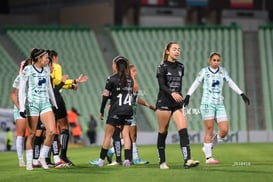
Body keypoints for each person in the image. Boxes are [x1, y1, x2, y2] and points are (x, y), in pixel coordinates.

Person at [183, 52, 250, 164]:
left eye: (218, 60)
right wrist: (188, 95)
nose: (216, 62)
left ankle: (207, 147)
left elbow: (231, 82)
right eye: (214, 60)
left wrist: (241, 94)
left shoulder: (222, 71)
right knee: (209, 129)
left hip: (219, 104)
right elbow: (196, 83)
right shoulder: (204, 71)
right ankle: (209, 158)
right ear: (210, 60)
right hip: (207, 104)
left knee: (224, 130)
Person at [155, 42, 200, 169]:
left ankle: (187, 160)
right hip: (163, 103)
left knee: (183, 130)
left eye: (179, 49)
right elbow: (162, 86)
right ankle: (162, 162)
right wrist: (172, 93)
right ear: (168, 51)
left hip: (177, 104)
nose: (177, 51)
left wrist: (178, 96)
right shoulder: (161, 66)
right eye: (174, 49)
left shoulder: (181, 66)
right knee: (163, 131)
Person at [106, 64, 156, 166]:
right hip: (126, 112)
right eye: (134, 71)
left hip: (131, 111)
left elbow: (136, 97)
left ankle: (112, 151)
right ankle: (135, 158)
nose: (136, 73)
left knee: (131, 136)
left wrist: (147, 105)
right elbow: (135, 90)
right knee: (132, 136)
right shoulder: (128, 82)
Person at [90, 56, 133, 167]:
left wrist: (101, 110)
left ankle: (101, 160)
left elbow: (105, 96)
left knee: (108, 136)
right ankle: (127, 160)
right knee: (126, 136)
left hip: (116, 111)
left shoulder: (111, 78)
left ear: (116, 65)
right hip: (128, 110)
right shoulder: (130, 79)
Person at [18, 48, 58, 170]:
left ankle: (42, 156)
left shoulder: (46, 70)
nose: (48, 59)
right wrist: (22, 107)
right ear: (39, 59)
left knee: (51, 132)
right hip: (32, 104)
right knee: (31, 134)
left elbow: (49, 88)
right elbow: (21, 90)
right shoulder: (28, 70)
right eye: (46, 57)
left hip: (45, 104)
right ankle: (29, 162)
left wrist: (54, 104)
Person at [50, 50, 88, 165]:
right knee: (64, 127)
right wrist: (74, 81)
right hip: (56, 98)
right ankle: (63, 156)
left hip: (46, 99)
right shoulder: (56, 66)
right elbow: (57, 82)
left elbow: (55, 84)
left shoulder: (41, 69)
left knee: (49, 129)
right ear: (55, 57)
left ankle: (47, 159)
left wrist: (71, 85)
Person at [10, 59, 30, 167]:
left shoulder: (34, 78)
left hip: (33, 108)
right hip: (21, 109)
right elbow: (13, 94)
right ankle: (21, 159)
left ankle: (33, 159)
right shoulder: (19, 78)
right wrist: (20, 107)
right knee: (20, 134)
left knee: (33, 134)